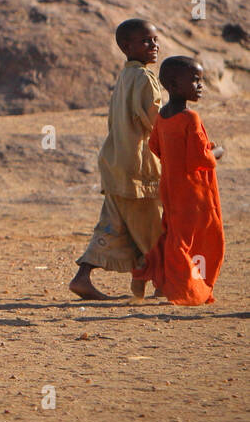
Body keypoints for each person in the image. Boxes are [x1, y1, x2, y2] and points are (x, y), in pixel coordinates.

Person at [69, 19, 164, 301]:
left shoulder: (125, 76)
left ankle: (82, 277)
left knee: (112, 227)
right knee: (153, 230)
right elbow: (156, 122)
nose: (154, 46)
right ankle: (163, 282)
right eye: (146, 41)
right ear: (126, 46)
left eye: (155, 40)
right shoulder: (145, 79)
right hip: (138, 170)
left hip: (114, 166)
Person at [139, 56, 225, 305]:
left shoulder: (163, 116)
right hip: (194, 192)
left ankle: (166, 282)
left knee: (176, 234)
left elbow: (156, 146)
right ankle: (187, 288)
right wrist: (216, 151)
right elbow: (200, 159)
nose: (201, 85)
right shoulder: (190, 118)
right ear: (175, 85)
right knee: (200, 238)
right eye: (195, 80)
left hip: (171, 188)